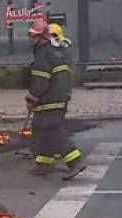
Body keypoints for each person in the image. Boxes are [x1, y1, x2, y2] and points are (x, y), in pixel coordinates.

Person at [25, 20, 86, 180]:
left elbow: (40, 81)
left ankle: (75, 162)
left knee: (52, 130)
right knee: (41, 129)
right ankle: (44, 164)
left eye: (34, 36)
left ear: (42, 37)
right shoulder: (58, 52)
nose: (32, 40)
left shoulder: (43, 55)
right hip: (59, 96)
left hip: (49, 99)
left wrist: (32, 98)